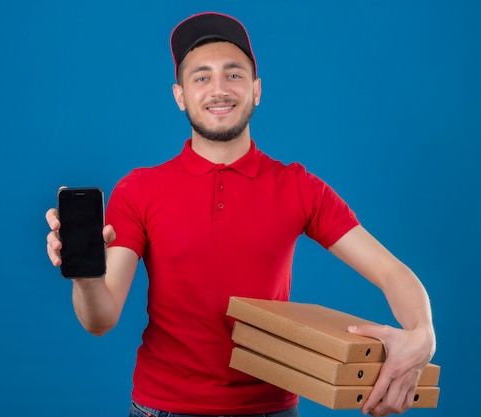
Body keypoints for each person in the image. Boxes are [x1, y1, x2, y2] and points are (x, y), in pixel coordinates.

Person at [45, 12, 436, 417]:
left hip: (271, 408)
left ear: (256, 90)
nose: (219, 90)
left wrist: (423, 334)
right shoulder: (139, 189)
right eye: (201, 77)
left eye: (234, 75)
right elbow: (100, 319)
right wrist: (86, 276)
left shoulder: (298, 186)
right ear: (180, 95)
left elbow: (393, 274)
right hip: (162, 407)